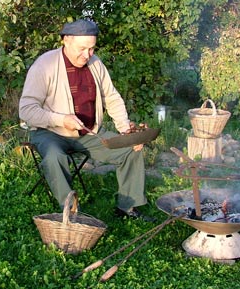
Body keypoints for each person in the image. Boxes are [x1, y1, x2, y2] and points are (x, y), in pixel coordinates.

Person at [19, 19, 154, 221]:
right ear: (66, 40)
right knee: (55, 156)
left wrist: (126, 131)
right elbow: (26, 110)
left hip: (87, 134)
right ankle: (70, 212)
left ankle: (127, 207)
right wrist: (61, 119)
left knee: (130, 151)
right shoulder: (44, 65)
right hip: (49, 133)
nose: (87, 55)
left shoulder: (95, 63)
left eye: (91, 49)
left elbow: (112, 97)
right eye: (82, 49)